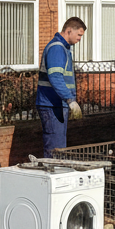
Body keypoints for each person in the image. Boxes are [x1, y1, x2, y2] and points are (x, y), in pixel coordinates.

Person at [37, 17, 86, 157]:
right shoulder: (57, 48)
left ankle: (54, 169)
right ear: (69, 31)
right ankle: (52, 170)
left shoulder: (61, 48)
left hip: (55, 105)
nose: (80, 39)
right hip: (53, 105)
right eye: (79, 35)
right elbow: (55, 77)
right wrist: (70, 100)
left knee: (58, 146)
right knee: (56, 148)